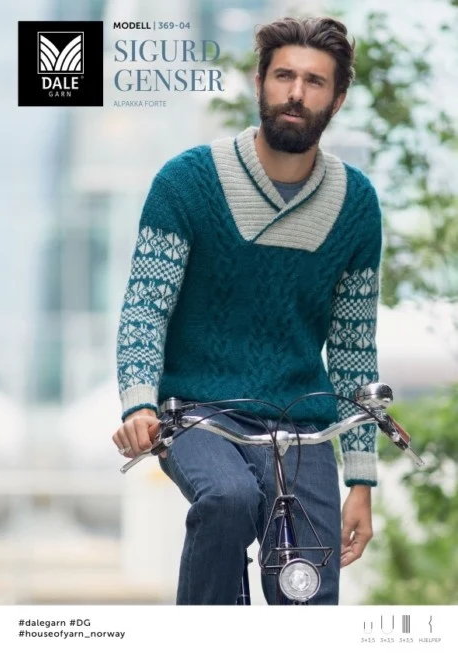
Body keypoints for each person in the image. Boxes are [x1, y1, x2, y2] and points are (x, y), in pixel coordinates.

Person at [112, 16, 382, 605]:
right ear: (259, 82)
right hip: (196, 413)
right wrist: (138, 404)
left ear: (337, 99)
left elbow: (354, 347)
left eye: (314, 81)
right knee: (228, 498)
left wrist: (361, 478)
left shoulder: (356, 204)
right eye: (283, 76)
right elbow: (145, 308)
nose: (295, 92)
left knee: (307, 598)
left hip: (302, 423)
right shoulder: (187, 182)